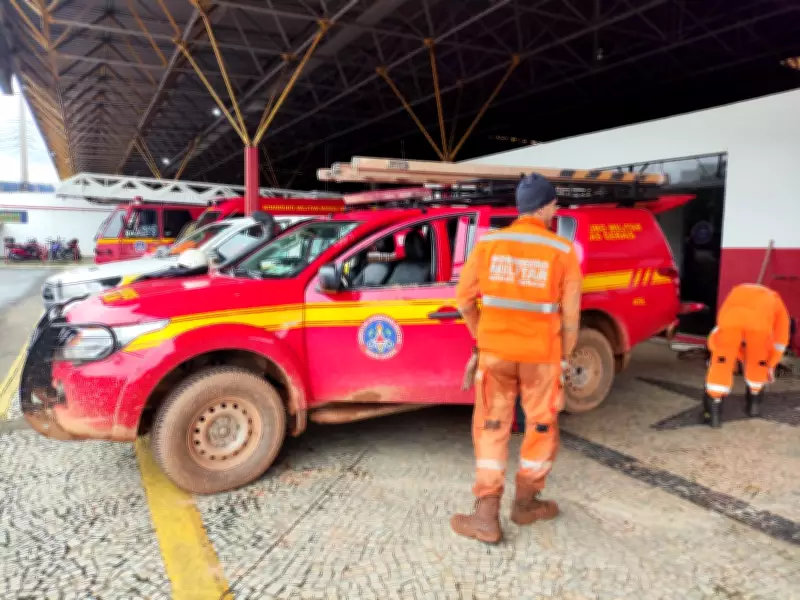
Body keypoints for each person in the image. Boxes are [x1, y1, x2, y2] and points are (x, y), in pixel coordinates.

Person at [451, 173, 583, 544]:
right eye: (555, 204)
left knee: (492, 426)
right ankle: (526, 504)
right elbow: (571, 316)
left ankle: (486, 515)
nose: (556, 209)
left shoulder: (489, 244)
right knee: (540, 425)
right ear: (543, 206)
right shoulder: (561, 251)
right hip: (542, 355)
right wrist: (565, 355)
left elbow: (464, 299)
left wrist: (483, 336)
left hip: (496, 353)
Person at [703, 283, 790, 428]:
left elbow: (717, 334)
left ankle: (714, 414)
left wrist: (722, 352)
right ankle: (754, 406)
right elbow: (780, 341)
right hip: (760, 324)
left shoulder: (737, 291)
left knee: (722, 361)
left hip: (730, 318)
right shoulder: (778, 305)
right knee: (758, 362)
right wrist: (769, 365)